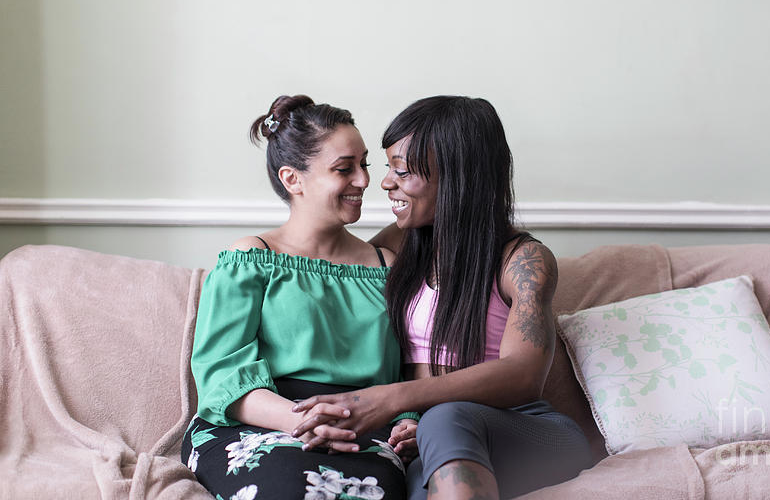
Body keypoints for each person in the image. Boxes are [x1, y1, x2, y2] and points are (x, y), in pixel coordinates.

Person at [293, 96, 592, 500]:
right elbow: (328, 286)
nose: (384, 183)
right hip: (424, 435)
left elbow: (523, 375)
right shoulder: (398, 244)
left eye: (402, 171)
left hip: (527, 432)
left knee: (448, 419)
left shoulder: (523, 260)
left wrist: (395, 400)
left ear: (457, 176)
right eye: (389, 169)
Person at [181, 95, 418, 500]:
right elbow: (222, 378)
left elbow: (410, 372)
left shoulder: (388, 268)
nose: (364, 180)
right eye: (345, 169)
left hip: (361, 431)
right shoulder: (250, 260)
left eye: (364, 165)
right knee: (288, 485)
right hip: (257, 425)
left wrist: (408, 422)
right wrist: (302, 420)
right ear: (293, 179)